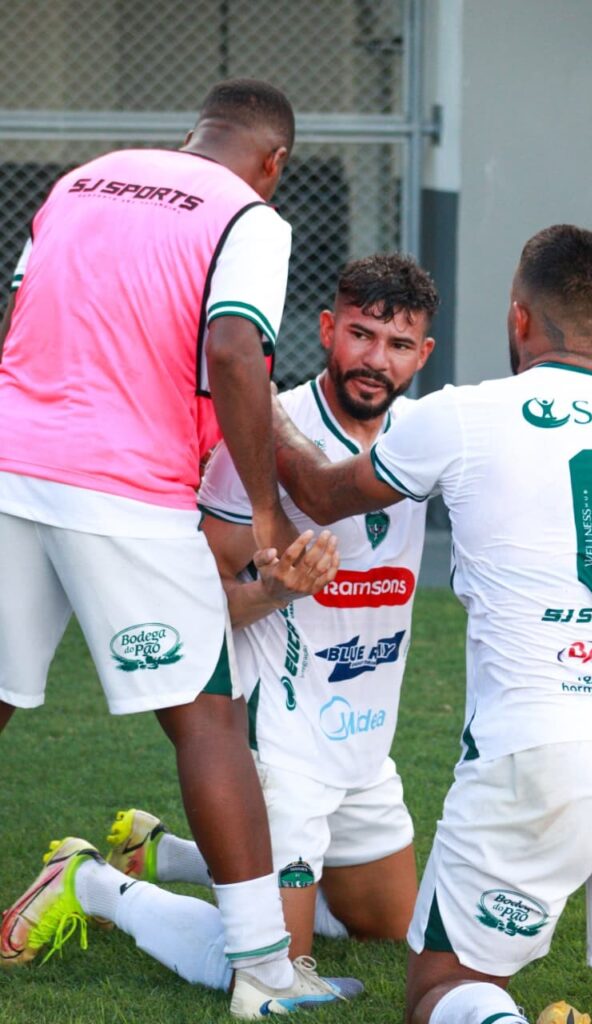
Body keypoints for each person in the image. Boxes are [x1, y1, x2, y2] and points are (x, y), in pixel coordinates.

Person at [0, 79, 358, 1016]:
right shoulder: (250, 216)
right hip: (123, 488)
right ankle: (263, 971)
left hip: (9, 463)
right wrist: (271, 516)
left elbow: (20, 322)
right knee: (208, 720)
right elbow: (235, 351)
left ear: (191, 134)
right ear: (274, 162)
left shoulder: (84, 180)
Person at [266, 225, 592, 1023]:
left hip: (540, 738)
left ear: (518, 316)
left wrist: (259, 400)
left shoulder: (461, 415)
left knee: (440, 988)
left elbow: (318, 493)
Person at [98, 252, 439, 960]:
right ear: (327, 329)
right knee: (274, 963)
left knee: (389, 927)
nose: (376, 360)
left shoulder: (424, 436)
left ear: (424, 354)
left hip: (364, 751)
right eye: (361, 335)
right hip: (280, 750)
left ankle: (180, 856)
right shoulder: (264, 436)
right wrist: (275, 590)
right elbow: (194, 607)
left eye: (398, 344)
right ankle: (96, 885)